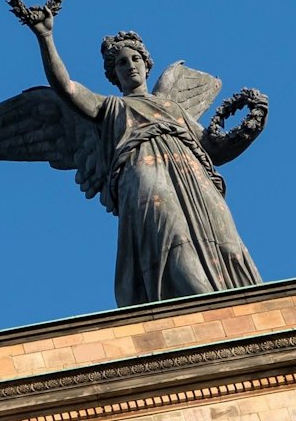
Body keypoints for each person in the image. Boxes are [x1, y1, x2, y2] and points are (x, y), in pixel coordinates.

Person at [24, 17, 262, 305]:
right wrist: (45, 36)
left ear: (146, 63)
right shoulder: (109, 107)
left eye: (135, 58)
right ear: (114, 73)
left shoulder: (171, 106)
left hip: (192, 174)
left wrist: (249, 130)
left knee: (226, 239)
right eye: (122, 63)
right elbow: (66, 88)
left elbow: (213, 149)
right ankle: (198, 307)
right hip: (143, 174)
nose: (130, 65)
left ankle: (246, 304)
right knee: (171, 237)